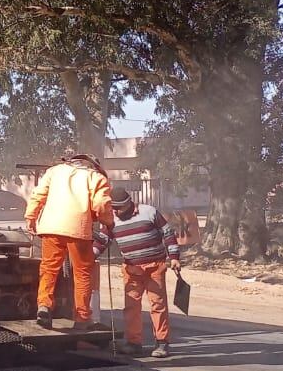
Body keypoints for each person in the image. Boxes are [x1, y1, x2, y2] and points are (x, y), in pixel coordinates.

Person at [24, 153, 114, 331]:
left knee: (49, 268)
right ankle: (81, 317)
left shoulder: (53, 172)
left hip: (51, 227)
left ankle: (44, 306)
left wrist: (30, 218)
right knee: (82, 274)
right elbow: (101, 205)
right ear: (92, 165)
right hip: (78, 229)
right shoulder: (96, 177)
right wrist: (108, 222)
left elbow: (37, 195)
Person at [94, 187, 181, 357]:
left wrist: (175, 257)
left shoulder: (149, 212)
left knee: (158, 305)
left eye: (118, 208)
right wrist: (91, 256)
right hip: (131, 269)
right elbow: (102, 241)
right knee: (131, 307)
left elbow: (168, 233)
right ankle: (134, 343)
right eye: (113, 208)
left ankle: (162, 343)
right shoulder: (111, 220)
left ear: (128, 204)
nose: (116, 211)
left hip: (155, 266)